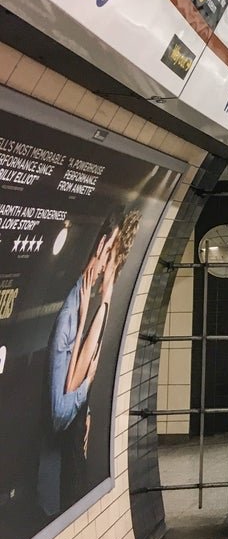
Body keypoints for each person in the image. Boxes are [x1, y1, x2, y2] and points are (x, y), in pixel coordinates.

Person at [40, 209, 140, 517]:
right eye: (115, 259)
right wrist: (84, 389)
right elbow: (59, 411)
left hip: (69, 462)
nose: (111, 271)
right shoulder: (75, 314)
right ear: (103, 247)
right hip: (60, 472)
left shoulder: (89, 309)